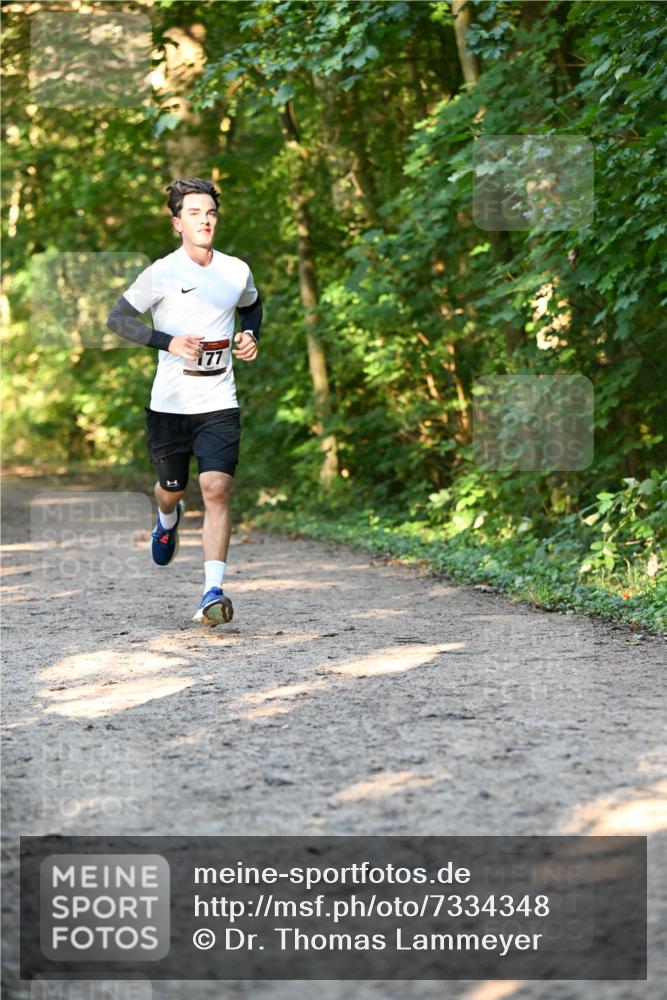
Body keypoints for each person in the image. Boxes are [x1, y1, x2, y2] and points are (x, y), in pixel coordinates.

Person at [106, 177, 263, 627]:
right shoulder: (162, 272)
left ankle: (212, 592)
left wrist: (250, 334)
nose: (205, 220)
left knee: (216, 488)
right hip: (170, 405)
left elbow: (252, 306)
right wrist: (167, 342)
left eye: (210, 213)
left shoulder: (236, 270)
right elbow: (117, 320)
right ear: (178, 222)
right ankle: (166, 517)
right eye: (194, 213)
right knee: (172, 489)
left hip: (219, 400)